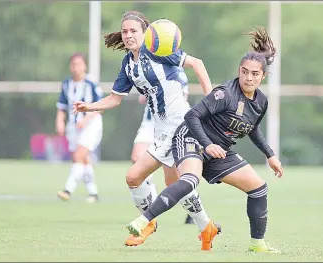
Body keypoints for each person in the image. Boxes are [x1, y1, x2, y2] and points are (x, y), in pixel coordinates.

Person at [126, 27, 284, 253]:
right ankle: (144, 221)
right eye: (245, 72)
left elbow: (253, 128)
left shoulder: (261, 102)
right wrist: (207, 144)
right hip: (189, 137)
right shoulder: (225, 94)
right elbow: (192, 116)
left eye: (255, 74)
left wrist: (271, 156)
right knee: (190, 180)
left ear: (263, 76)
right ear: (239, 70)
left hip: (218, 150)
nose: (248, 78)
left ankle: (257, 244)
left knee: (258, 188)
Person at [73, 11, 221, 250]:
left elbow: (197, 63)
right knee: (165, 183)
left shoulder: (159, 51)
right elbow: (114, 99)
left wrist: (210, 101)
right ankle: (206, 227)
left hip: (182, 126)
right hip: (161, 130)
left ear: (146, 33)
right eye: (125, 31)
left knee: (153, 179)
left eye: (134, 31)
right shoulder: (128, 65)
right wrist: (89, 107)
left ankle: (148, 223)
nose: (129, 35)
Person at [131, 71, 195, 225]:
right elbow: (142, 97)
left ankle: (193, 209)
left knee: (173, 177)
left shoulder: (177, 73)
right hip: (149, 124)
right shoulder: (147, 69)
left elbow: (182, 99)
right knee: (136, 158)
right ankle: (152, 207)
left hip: (168, 125)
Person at [56, 53, 103, 204]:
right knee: (83, 159)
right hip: (74, 126)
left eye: (80, 64)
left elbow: (101, 106)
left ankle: (67, 190)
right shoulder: (66, 84)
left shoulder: (91, 83)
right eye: (74, 64)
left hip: (91, 124)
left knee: (78, 155)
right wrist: (60, 121)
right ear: (71, 67)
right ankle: (93, 193)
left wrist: (86, 119)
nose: (77, 68)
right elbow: (62, 107)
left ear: (85, 66)